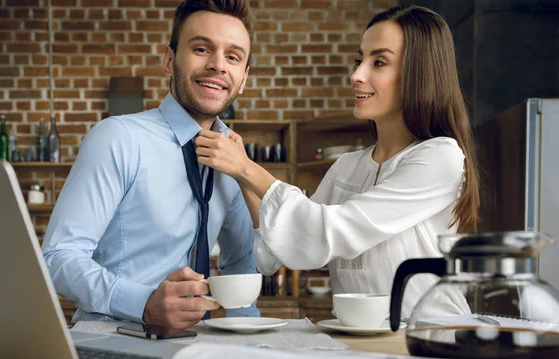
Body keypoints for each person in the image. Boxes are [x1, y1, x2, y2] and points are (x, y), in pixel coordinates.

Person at [195, 5, 480, 319]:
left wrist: (246, 168)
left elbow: (327, 231)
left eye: (379, 62)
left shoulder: (440, 156)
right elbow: (280, 250)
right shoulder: (346, 167)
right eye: (360, 60)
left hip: (430, 343)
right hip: (359, 344)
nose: (356, 75)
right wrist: (242, 176)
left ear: (420, 73)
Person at [42, 0, 259, 329]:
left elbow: (241, 264)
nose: (218, 65)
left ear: (243, 78)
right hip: (112, 340)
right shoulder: (118, 138)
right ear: (170, 61)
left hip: (199, 348)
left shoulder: (235, 157)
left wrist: (249, 338)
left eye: (233, 56)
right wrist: (141, 303)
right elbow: (58, 257)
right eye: (201, 49)